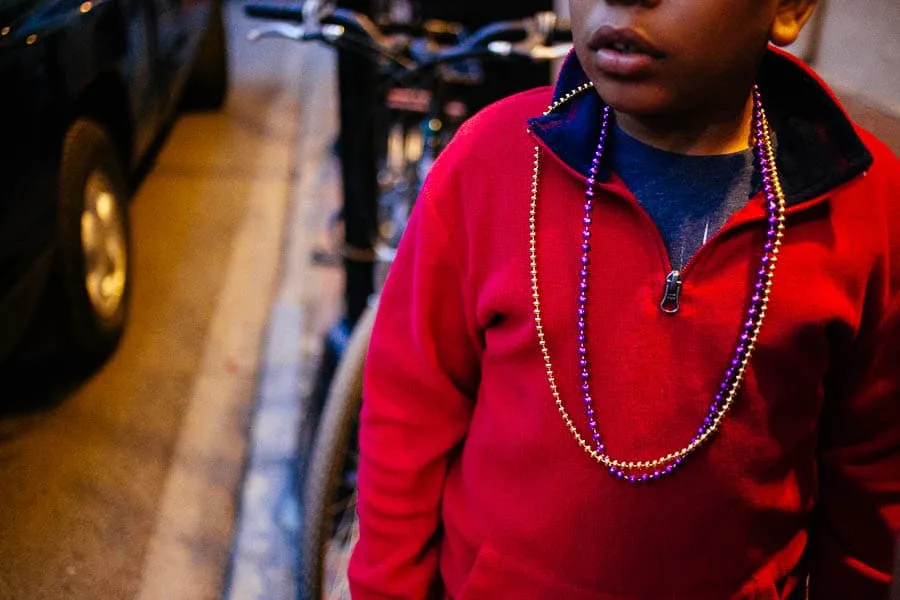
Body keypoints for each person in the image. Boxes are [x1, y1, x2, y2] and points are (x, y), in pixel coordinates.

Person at [348, 0, 900, 598]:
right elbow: (408, 412)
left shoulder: (866, 209)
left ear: (789, 9)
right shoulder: (490, 162)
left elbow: (868, 470)